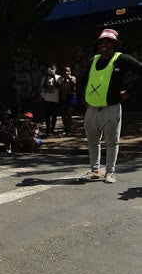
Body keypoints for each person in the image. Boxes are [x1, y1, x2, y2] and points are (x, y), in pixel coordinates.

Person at [79, 28, 142, 184]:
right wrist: (82, 98)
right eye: (101, 41)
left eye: (108, 41)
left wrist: (129, 91)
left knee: (112, 142)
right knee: (92, 142)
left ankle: (110, 172)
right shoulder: (93, 60)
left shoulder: (122, 59)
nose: (104, 44)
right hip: (92, 109)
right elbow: (82, 80)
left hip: (112, 108)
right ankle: (94, 170)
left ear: (114, 44)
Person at [40, 64, 60, 136]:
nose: (51, 70)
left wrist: (54, 76)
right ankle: (47, 128)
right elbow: (43, 86)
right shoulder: (44, 78)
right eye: (50, 69)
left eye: (53, 69)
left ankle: (52, 129)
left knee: (54, 115)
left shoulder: (58, 77)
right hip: (46, 99)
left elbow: (58, 86)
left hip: (54, 99)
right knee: (47, 115)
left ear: (55, 69)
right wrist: (47, 77)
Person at [58, 66, 77, 135]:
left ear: (70, 72)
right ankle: (65, 127)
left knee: (69, 113)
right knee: (63, 114)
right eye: (64, 71)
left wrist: (69, 78)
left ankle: (69, 129)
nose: (66, 72)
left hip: (71, 97)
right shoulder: (60, 79)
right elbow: (59, 88)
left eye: (67, 71)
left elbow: (74, 85)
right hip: (63, 97)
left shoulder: (73, 78)